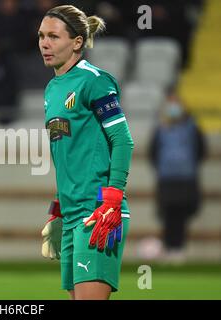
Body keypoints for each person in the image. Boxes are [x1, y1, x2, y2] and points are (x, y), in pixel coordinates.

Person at [38, 5, 134, 300]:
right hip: (70, 216)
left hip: (97, 212)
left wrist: (113, 199)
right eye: (41, 36)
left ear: (77, 42)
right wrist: (58, 207)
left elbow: (123, 140)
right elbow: (67, 154)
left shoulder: (95, 81)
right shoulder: (52, 90)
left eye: (54, 36)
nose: (44, 43)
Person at [148, 89, 206, 263]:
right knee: (167, 214)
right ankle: (168, 248)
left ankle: (179, 248)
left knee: (182, 213)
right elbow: (154, 152)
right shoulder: (160, 128)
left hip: (186, 179)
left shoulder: (192, 126)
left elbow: (201, 150)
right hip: (167, 179)